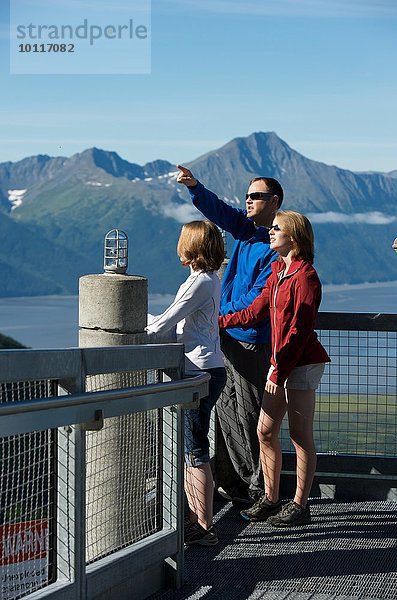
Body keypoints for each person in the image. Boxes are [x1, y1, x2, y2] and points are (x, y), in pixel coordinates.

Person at [176, 165, 283, 506]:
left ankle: (260, 488)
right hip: (226, 337)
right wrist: (195, 187)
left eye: (256, 196)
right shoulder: (245, 228)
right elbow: (218, 209)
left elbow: (257, 302)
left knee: (251, 413)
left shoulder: (275, 245)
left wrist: (216, 316)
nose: (248, 201)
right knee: (225, 409)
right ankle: (241, 483)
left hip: (251, 340)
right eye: (247, 195)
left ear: (274, 201)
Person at [218, 210, 330, 527]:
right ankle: (270, 499)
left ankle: (299, 505)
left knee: (298, 434)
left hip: (301, 363)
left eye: (276, 228)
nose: (270, 231)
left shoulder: (305, 277)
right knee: (265, 431)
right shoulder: (279, 272)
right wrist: (218, 323)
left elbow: (299, 331)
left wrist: (278, 372)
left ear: (293, 235)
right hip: (279, 364)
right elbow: (255, 311)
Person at [146, 220, 227, 545]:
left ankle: (204, 527)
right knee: (189, 448)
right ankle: (195, 520)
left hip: (198, 372)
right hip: (205, 368)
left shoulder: (200, 283)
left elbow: (167, 322)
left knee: (194, 450)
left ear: (191, 245)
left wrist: (135, 324)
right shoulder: (206, 279)